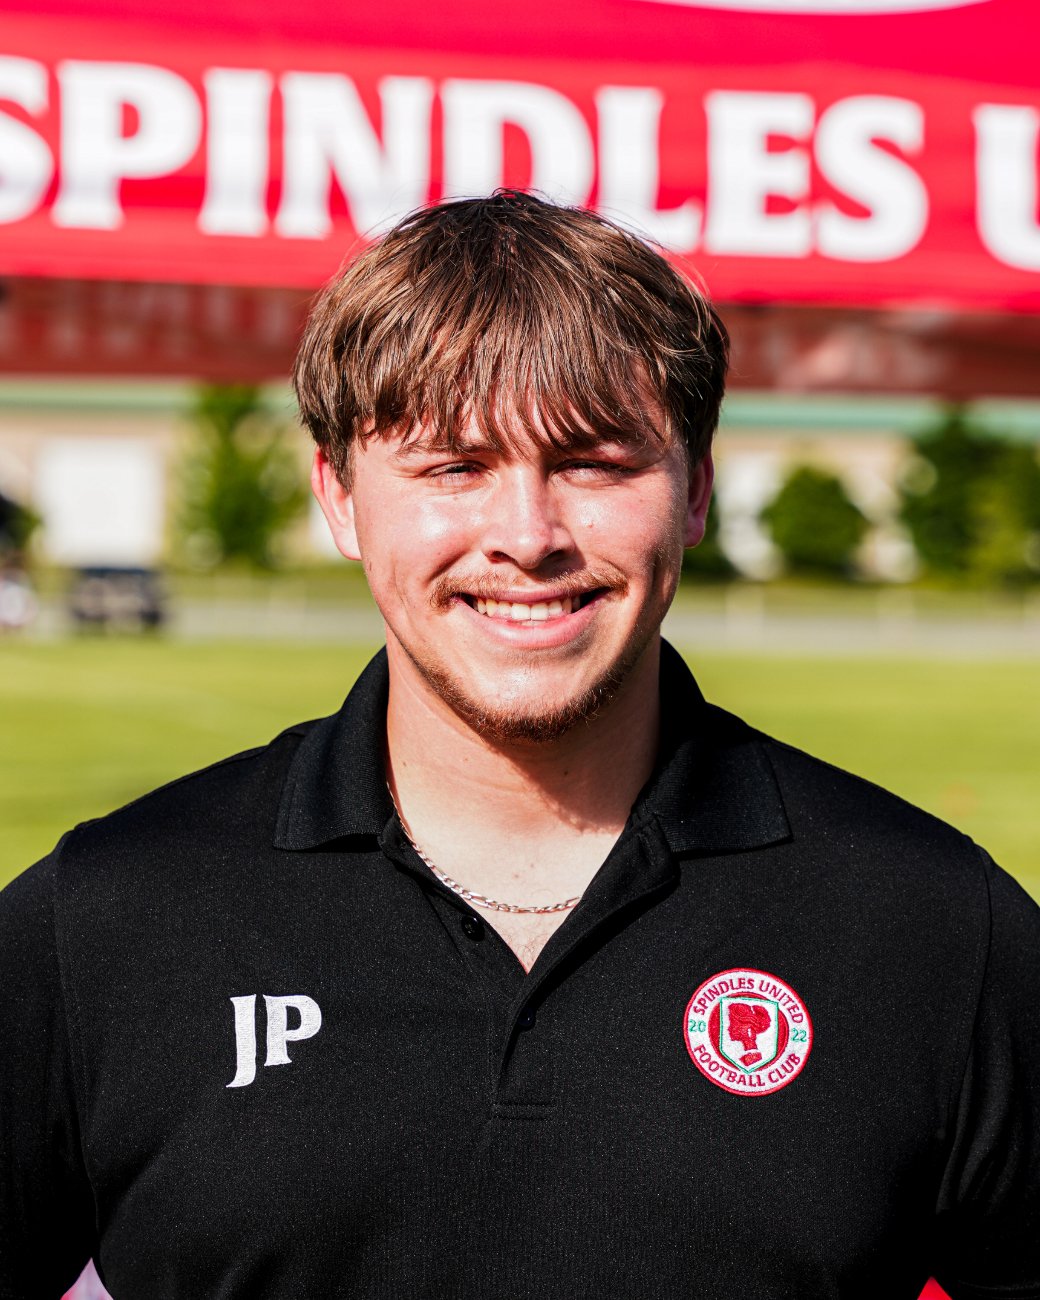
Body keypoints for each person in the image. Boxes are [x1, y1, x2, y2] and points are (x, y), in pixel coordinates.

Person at [1, 192, 1038, 1300]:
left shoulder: (931, 926)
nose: (527, 536)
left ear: (693, 490)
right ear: (338, 496)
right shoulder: (104, 919)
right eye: (453, 466)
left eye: (593, 463)